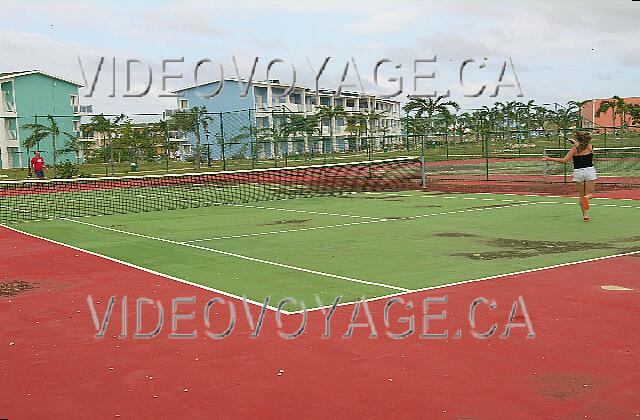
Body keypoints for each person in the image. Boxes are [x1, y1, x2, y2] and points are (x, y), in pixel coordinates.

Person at [543, 131, 596, 221]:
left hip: (578, 173)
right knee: (589, 194)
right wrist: (576, 142)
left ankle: (585, 216)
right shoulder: (590, 147)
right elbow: (583, 145)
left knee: (581, 195)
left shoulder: (574, 150)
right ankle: (587, 198)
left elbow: (564, 160)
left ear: (578, 140)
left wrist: (549, 158)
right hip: (589, 172)